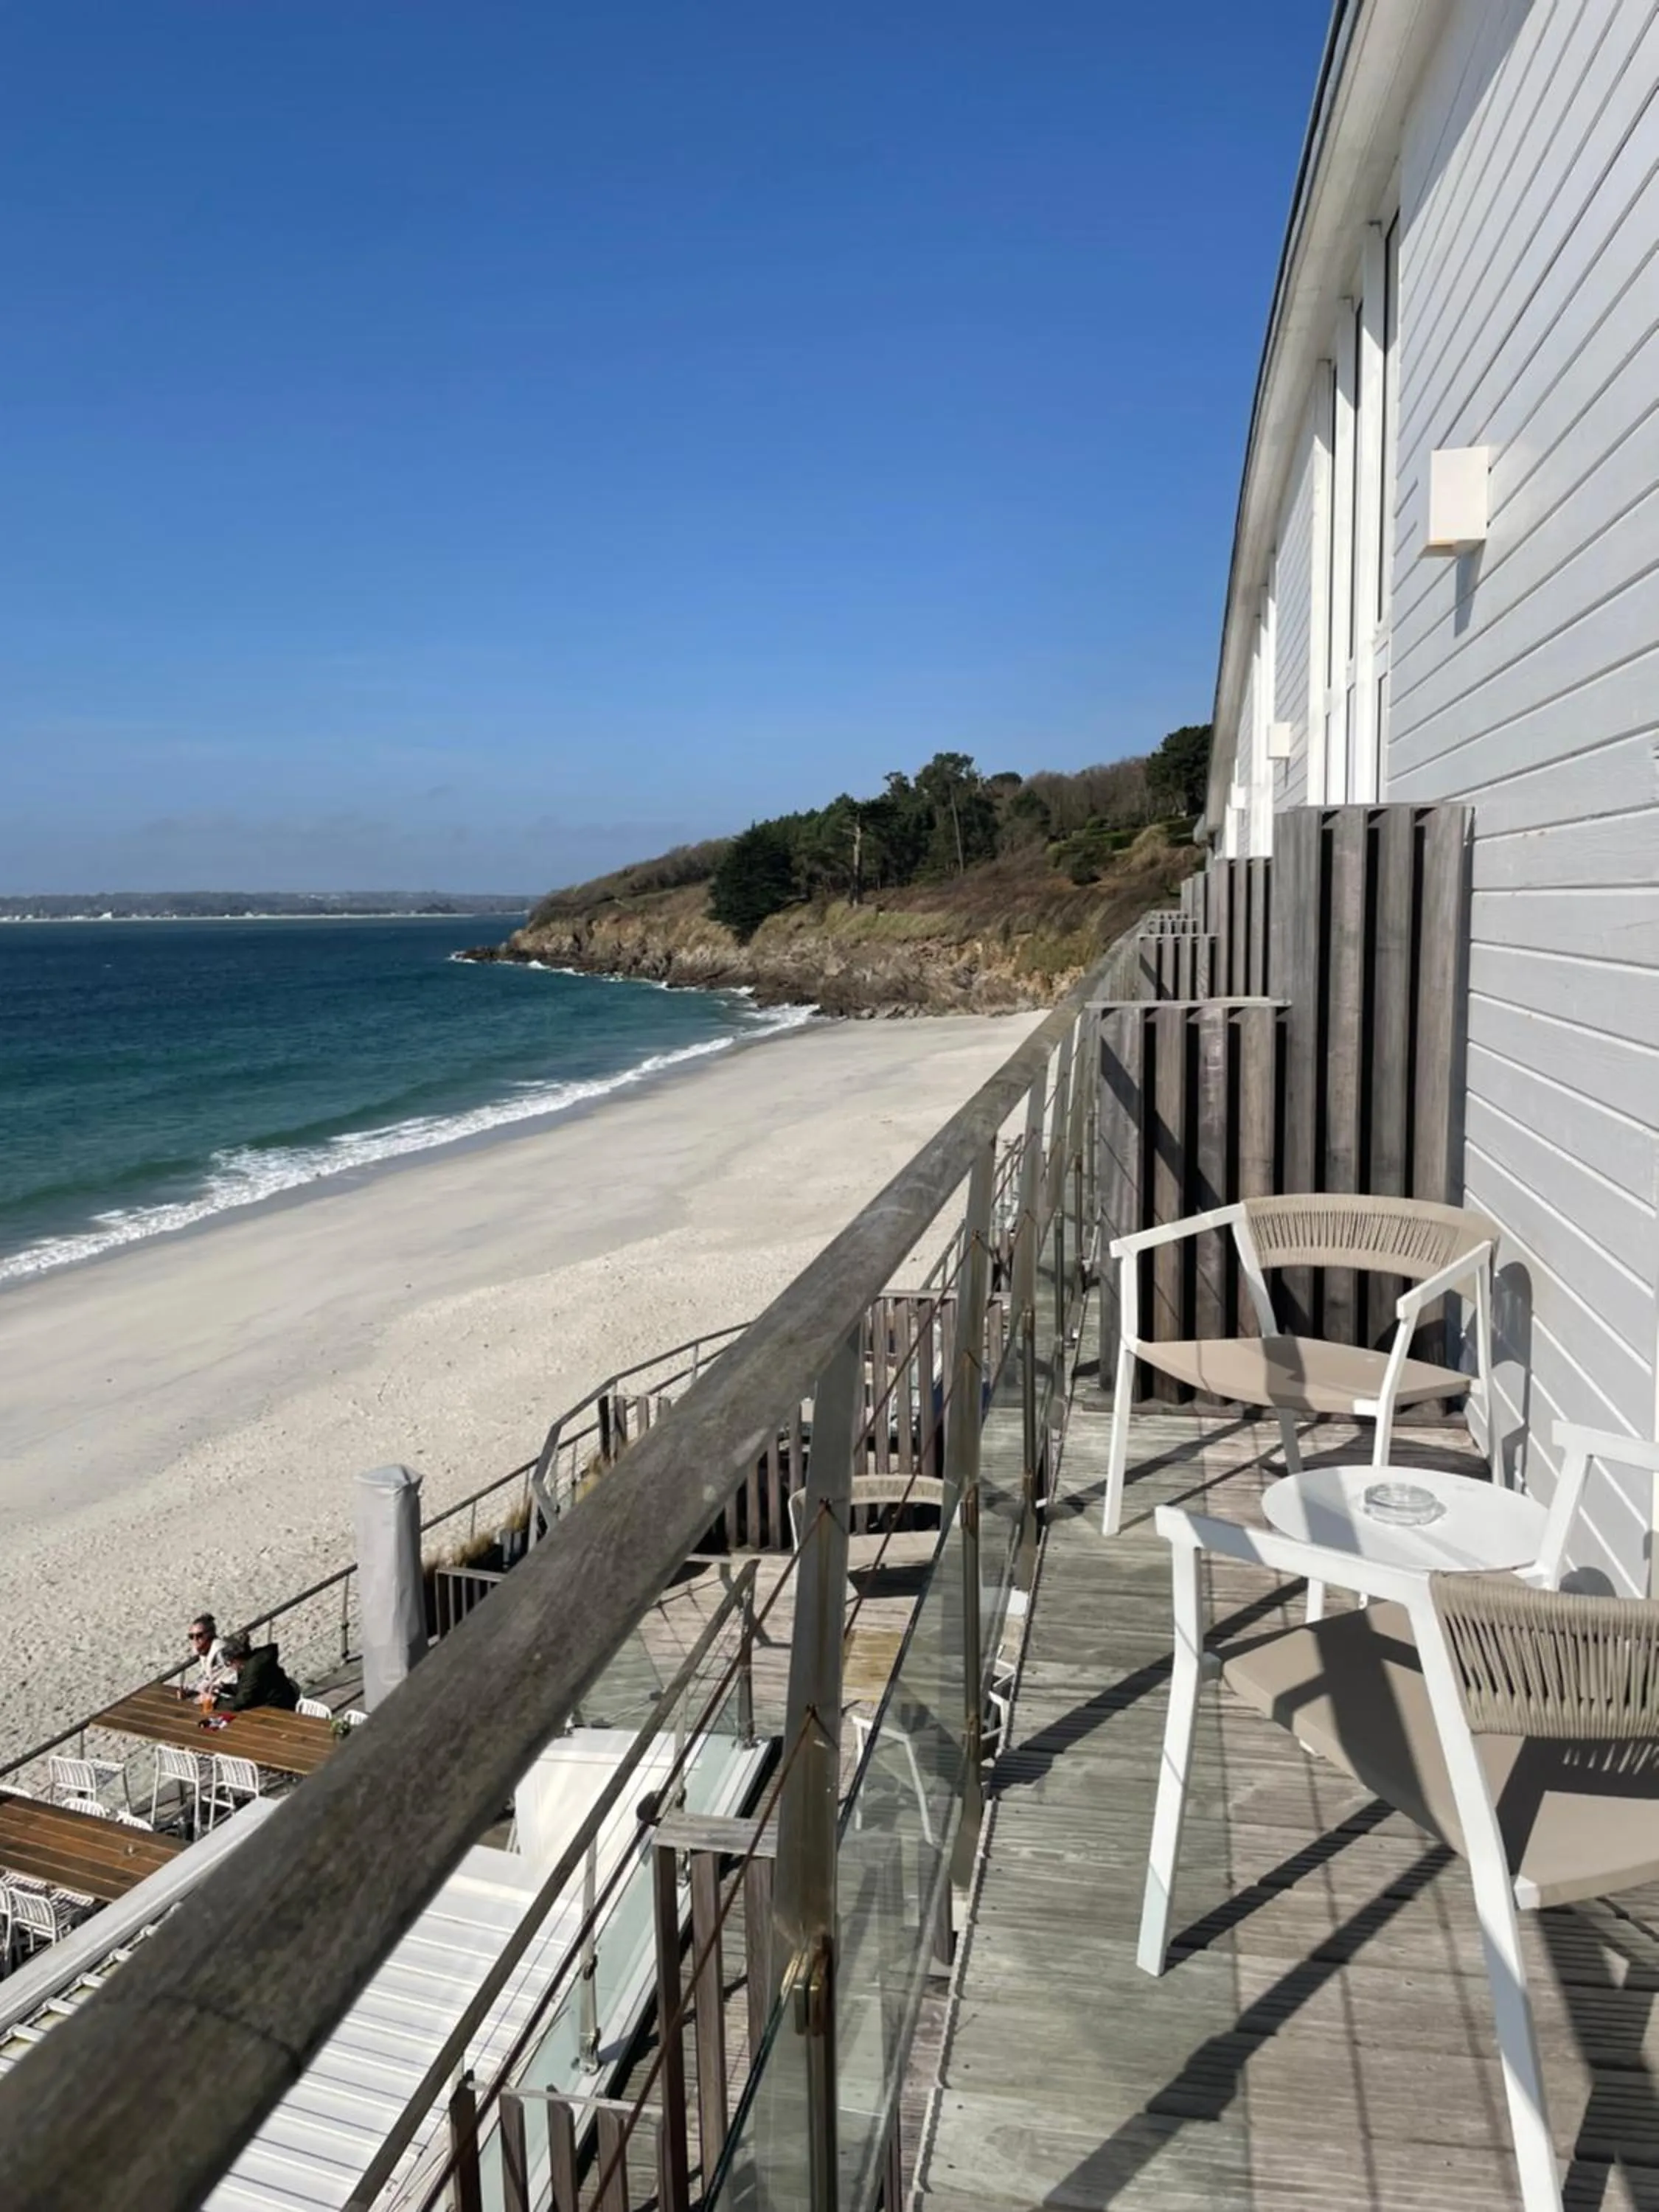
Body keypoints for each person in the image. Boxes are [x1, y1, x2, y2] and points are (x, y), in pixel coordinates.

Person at [219, 1631, 301, 1714]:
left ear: (237, 1660)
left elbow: (242, 1702)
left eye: (230, 1663)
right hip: (273, 1705)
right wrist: (226, 1688)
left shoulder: (254, 1669)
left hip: (278, 1710)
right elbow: (248, 1688)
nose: (231, 1667)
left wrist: (216, 1703)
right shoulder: (254, 1663)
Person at [184, 1613, 230, 1698]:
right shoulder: (204, 1650)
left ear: (210, 1635)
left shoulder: (221, 1651)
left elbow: (225, 1679)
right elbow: (206, 1675)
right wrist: (189, 1689)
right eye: (191, 1636)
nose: (195, 1640)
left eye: (199, 1635)